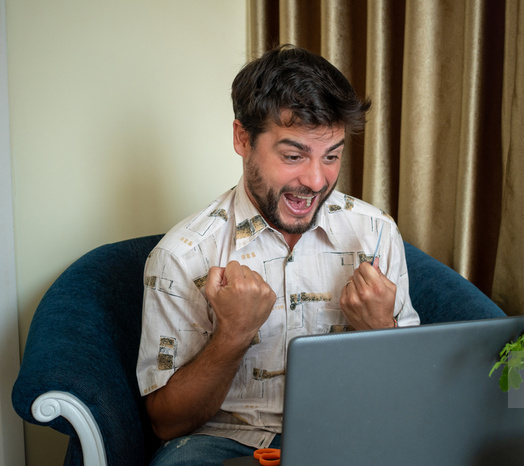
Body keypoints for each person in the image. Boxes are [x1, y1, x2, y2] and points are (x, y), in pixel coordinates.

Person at [136, 44, 420, 465]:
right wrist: (233, 333)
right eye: (293, 155)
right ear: (242, 139)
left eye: (332, 156)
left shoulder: (375, 232)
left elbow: (413, 394)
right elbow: (167, 424)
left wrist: (381, 328)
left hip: (349, 434)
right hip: (228, 444)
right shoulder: (181, 256)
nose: (316, 180)